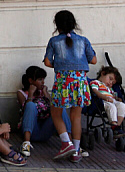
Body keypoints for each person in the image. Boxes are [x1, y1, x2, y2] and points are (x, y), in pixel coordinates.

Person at [43, 9, 97, 163]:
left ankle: (66, 143)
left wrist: (59, 64)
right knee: (76, 116)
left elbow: (47, 62)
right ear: (74, 24)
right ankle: (76, 151)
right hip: (80, 81)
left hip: (63, 81)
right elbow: (93, 60)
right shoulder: (83, 40)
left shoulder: (54, 41)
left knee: (56, 113)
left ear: (56, 25)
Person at [16, 65, 70, 157]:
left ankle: (69, 142)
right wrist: (31, 94)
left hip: (45, 131)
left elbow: (53, 107)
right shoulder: (21, 93)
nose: (43, 82)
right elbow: (24, 111)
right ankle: (26, 143)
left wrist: (46, 94)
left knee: (60, 109)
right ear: (31, 81)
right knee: (30, 105)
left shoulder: (43, 92)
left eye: (43, 79)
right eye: (40, 79)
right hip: (31, 130)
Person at [90, 66, 125, 137]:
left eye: (112, 83)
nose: (110, 83)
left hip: (111, 100)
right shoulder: (95, 82)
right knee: (111, 106)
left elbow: (113, 95)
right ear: (103, 73)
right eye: (110, 79)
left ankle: (117, 127)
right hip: (102, 101)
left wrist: (117, 99)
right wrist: (104, 97)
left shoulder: (109, 88)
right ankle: (113, 125)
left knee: (122, 106)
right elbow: (95, 91)